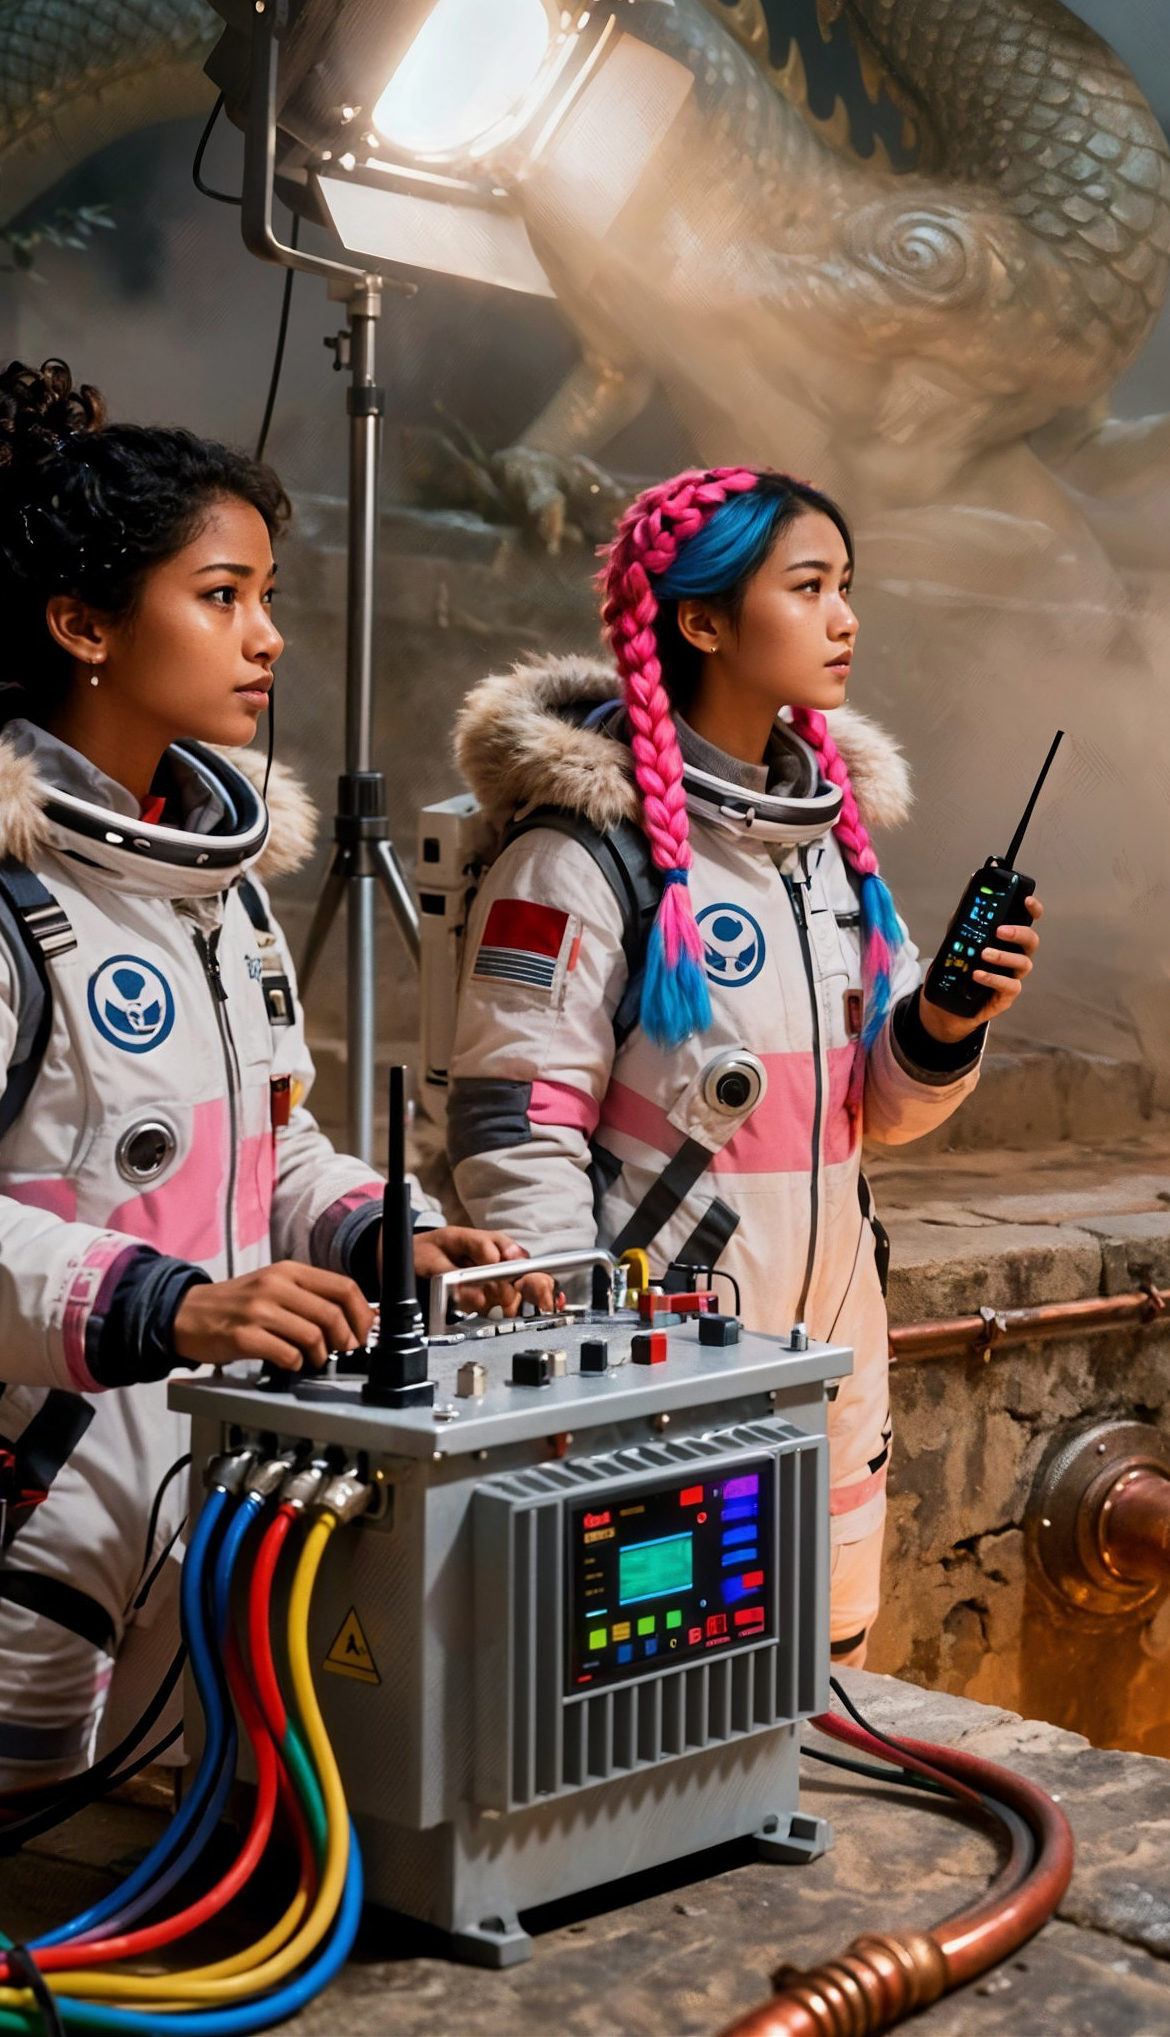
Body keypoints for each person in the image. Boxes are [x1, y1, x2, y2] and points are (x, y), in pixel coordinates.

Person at [0, 361, 535, 1800]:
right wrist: (167, 1306)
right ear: (84, 626)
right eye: (224, 596)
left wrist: (377, 1231)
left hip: (207, 1496)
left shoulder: (208, 889)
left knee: (164, 1925)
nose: (270, 640)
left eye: (266, 597)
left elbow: (261, 1160)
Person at [440, 466, 1036, 1666]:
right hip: (661, 1370)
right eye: (808, 586)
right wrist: (574, 1375)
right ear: (702, 621)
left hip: (832, 1351)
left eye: (847, 588)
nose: (845, 618)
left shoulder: (826, 854)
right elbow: (516, 1129)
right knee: (664, 1696)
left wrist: (949, 1019)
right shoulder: (579, 852)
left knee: (830, 1684)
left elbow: (880, 1110)